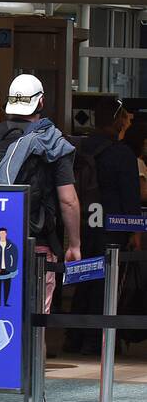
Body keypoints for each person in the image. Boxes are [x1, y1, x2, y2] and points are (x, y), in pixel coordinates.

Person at [0, 74, 81, 402]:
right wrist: (74, 243)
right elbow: (68, 200)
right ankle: (35, 400)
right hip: (37, 247)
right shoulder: (53, 141)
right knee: (35, 324)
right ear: (40, 102)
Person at [66, 96, 143, 355]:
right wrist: (135, 231)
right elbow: (130, 196)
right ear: (118, 120)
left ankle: (73, 337)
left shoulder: (80, 148)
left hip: (82, 224)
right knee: (106, 284)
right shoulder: (122, 154)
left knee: (83, 282)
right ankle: (95, 340)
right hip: (111, 228)